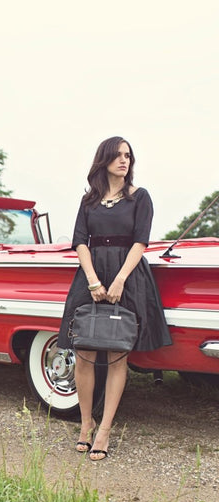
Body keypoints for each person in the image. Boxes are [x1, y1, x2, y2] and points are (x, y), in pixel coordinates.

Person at [57, 136, 172, 461]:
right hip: (90, 276)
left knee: (117, 353)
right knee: (84, 351)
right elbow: (80, 241)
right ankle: (85, 423)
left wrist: (120, 278)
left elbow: (141, 241)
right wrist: (93, 281)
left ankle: (105, 428)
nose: (125, 161)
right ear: (104, 159)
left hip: (128, 276)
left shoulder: (140, 197)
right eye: (119, 155)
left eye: (128, 156)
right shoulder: (89, 200)